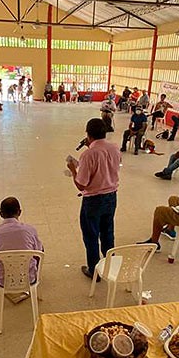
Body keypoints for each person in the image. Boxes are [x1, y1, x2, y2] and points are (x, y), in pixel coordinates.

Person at [66, 118, 121, 280]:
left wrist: (73, 170)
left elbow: (81, 185)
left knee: (91, 235)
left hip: (93, 201)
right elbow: (108, 166)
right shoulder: (115, 148)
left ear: (88, 134)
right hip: (111, 197)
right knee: (108, 231)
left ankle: (94, 270)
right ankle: (109, 266)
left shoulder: (88, 155)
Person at [0, 197, 44, 289]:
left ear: (1, 214)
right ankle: (33, 274)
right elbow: (38, 252)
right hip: (28, 279)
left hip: (3, 281)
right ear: (19, 212)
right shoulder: (30, 230)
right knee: (39, 248)